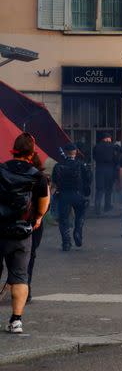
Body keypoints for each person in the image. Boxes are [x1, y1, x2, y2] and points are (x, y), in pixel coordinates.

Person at [0, 133, 50, 333]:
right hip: (22, 232)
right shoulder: (37, 176)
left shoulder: (0, 170)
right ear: (32, 153)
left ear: (14, 149)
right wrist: (37, 218)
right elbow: (43, 204)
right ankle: (16, 320)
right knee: (20, 276)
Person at [51, 143, 92, 251]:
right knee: (80, 215)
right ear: (75, 152)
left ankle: (66, 243)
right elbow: (89, 179)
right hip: (78, 194)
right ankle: (78, 231)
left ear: (65, 152)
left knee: (63, 220)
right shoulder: (81, 165)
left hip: (63, 195)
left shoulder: (58, 165)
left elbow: (54, 182)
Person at [92, 133, 116, 214]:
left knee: (99, 190)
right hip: (110, 170)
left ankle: (97, 209)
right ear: (107, 138)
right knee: (108, 189)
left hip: (99, 170)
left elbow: (94, 157)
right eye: (110, 139)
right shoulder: (112, 146)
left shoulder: (96, 146)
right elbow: (115, 158)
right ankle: (107, 206)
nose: (110, 140)